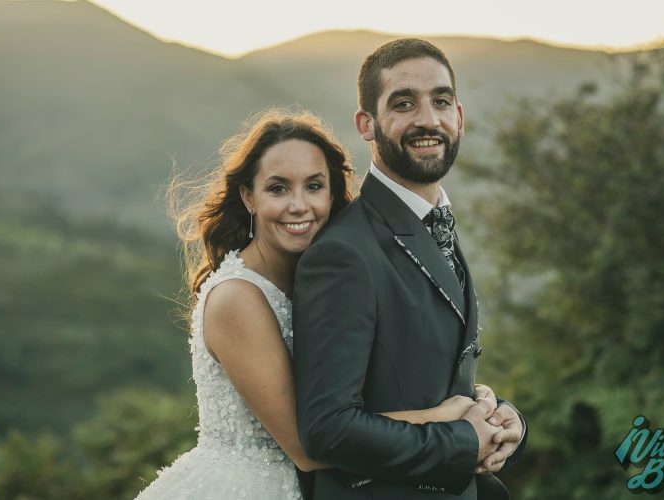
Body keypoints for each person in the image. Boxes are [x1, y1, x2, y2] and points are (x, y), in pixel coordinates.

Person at [134, 109, 493, 500]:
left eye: (314, 186)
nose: (299, 205)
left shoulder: (333, 279)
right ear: (248, 197)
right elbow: (310, 445)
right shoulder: (238, 297)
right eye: (278, 188)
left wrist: (479, 402)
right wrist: (445, 417)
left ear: (333, 193)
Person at [293, 39, 528, 499]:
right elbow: (329, 429)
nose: (428, 119)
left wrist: (505, 421)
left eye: (440, 101)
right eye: (403, 104)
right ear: (367, 124)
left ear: (458, 116)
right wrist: (464, 442)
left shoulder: (434, 222)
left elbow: (428, 382)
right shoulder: (343, 253)